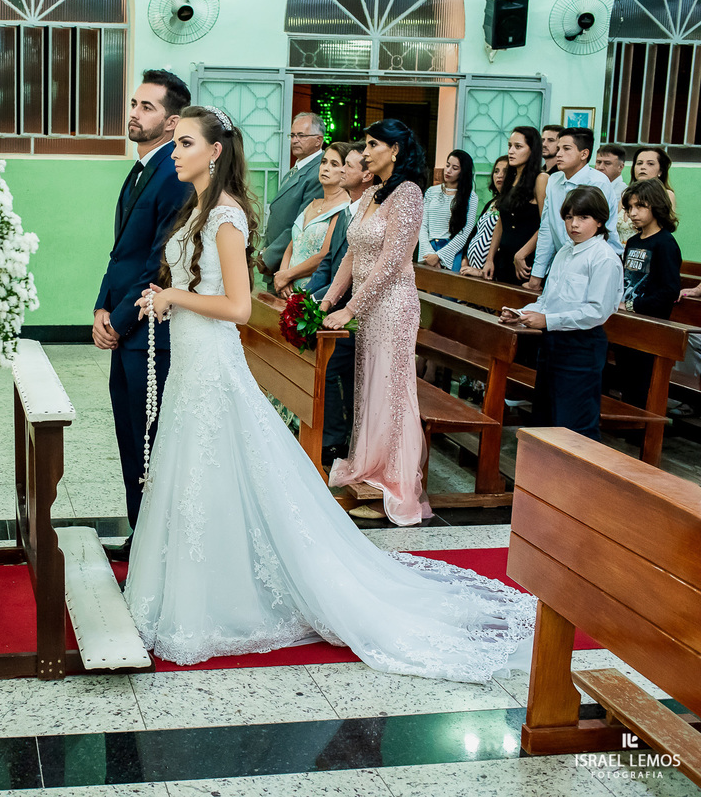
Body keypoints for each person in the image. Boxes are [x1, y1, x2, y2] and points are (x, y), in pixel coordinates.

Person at [123, 107, 535, 680]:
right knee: (201, 472)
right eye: (174, 143)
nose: (174, 151)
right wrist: (163, 293)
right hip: (192, 360)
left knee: (222, 465)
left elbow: (238, 308)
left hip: (212, 361)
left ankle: (228, 595)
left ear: (215, 152)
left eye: (185, 142)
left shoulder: (224, 215)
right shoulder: (196, 210)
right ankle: (202, 579)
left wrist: (176, 300)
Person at [93, 69, 192, 558]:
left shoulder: (174, 176)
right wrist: (99, 307)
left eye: (147, 107)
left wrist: (121, 319)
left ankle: (156, 538)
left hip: (151, 330)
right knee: (128, 434)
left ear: (172, 122)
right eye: (134, 103)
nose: (134, 113)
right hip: (125, 320)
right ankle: (142, 533)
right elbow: (122, 254)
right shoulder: (140, 170)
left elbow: (159, 258)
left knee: (149, 436)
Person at [320, 119, 432, 526]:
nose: (365, 152)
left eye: (372, 145)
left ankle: (398, 484)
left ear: (396, 150)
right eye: (365, 144)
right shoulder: (371, 192)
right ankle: (371, 468)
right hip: (368, 307)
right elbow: (353, 254)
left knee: (392, 390)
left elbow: (391, 263)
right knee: (369, 388)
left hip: (394, 306)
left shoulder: (409, 195)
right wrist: (330, 298)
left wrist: (351, 308)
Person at [501, 186, 622, 440]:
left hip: (581, 347)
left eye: (583, 218)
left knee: (574, 425)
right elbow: (547, 301)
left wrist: (547, 320)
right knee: (545, 420)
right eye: (568, 217)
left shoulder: (604, 258)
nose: (574, 224)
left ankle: (580, 480)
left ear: (600, 220)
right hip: (552, 343)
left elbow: (596, 312)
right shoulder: (565, 252)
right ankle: (542, 479)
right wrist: (521, 315)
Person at [309, 142, 373, 463]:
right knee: (329, 368)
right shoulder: (345, 211)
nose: (341, 171)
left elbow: (363, 270)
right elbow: (328, 263)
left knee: (330, 367)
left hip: (356, 312)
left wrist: (334, 306)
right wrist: (309, 298)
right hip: (335, 305)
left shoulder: (372, 212)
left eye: (348, 165)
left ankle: (334, 437)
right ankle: (333, 433)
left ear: (366, 175)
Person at [526, 127, 622, 292]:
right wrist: (537, 274)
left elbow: (599, 231)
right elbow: (547, 229)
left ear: (584, 154)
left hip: (595, 264)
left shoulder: (598, 182)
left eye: (566, 149)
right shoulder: (554, 181)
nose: (559, 154)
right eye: (558, 149)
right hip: (563, 261)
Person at [615, 179, 682, 409]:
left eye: (640, 206)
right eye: (629, 208)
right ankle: (627, 429)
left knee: (643, 385)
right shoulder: (633, 241)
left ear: (656, 206)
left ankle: (641, 433)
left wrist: (633, 306)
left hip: (650, 327)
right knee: (627, 380)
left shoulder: (665, 243)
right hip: (628, 323)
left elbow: (669, 291)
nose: (633, 213)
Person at [273, 145, 349, 295]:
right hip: (287, 288)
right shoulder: (312, 204)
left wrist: (289, 275)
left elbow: (324, 256)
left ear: (345, 171)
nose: (325, 168)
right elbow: (292, 244)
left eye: (334, 164)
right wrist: (282, 276)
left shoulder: (344, 208)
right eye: (324, 162)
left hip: (313, 291)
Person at [261, 113, 326, 285]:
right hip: (276, 260)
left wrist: (268, 256)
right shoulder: (298, 166)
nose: (295, 140)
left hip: (292, 267)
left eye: (301, 135)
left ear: (318, 140)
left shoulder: (319, 171)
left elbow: (300, 224)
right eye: (293, 135)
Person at [485, 127, 547, 285]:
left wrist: (522, 254)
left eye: (518, 147)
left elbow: (546, 225)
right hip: (504, 258)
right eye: (509, 146)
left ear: (532, 150)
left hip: (525, 261)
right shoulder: (510, 177)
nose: (511, 151)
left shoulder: (541, 179)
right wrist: (490, 258)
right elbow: (501, 222)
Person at [418, 150, 478, 272]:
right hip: (428, 250)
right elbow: (422, 225)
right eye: (447, 165)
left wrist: (439, 256)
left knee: (446, 289)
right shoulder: (431, 192)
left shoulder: (470, 197)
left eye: (455, 168)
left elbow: (465, 232)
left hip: (452, 252)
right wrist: (429, 254)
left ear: (463, 172)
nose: (448, 170)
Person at [462, 156, 507, 277]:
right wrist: (466, 257)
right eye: (496, 171)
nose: (500, 175)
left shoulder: (511, 205)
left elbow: (504, 242)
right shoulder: (491, 202)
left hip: (490, 273)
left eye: (505, 171)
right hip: (471, 268)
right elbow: (476, 232)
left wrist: (482, 272)